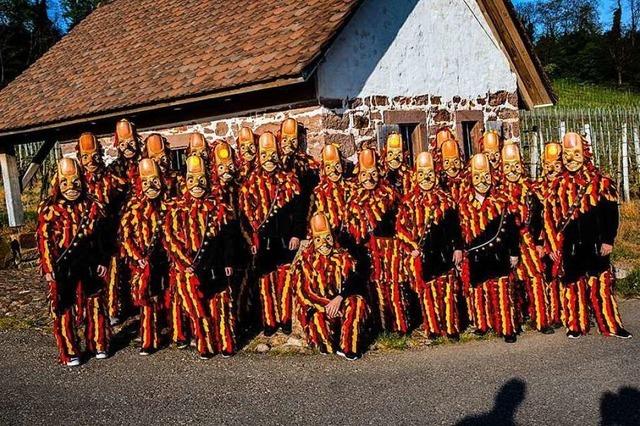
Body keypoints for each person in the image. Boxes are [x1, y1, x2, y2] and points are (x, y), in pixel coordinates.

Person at [543, 132, 631, 339]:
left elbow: (612, 215)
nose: (571, 159)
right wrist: (552, 245)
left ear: (585, 153)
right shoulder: (557, 186)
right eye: (566, 155)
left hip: (596, 245)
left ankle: (611, 325)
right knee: (573, 285)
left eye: (576, 153)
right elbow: (549, 218)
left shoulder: (601, 183)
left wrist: (608, 240)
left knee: (601, 285)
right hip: (571, 247)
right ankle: (575, 325)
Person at [36, 158, 110, 366]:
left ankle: (98, 343)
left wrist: (102, 260)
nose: (71, 188)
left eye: (75, 182)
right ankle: (69, 351)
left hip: (89, 262)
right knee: (64, 306)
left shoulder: (92, 205)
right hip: (64, 264)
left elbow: (101, 237)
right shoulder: (49, 208)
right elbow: (44, 239)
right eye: (65, 183)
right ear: (58, 183)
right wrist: (49, 267)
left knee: (95, 302)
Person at [164, 155, 236, 358]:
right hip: (192, 268)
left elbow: (228, 238)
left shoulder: (220, 208)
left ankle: (226, 343)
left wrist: (228, 261)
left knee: (220, 304)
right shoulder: (176, 209)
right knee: (200, 309)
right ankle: (205, 345)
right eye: (192, 181)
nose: (197, 186)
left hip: (216, 265)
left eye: (201, 181)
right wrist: (185, 264)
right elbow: (170, 238)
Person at [238, 132, 305, 336]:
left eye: (272, 155)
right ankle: (269, 320)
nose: (269, 160)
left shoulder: (290, 180)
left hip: (285, 240)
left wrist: (296, 234)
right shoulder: (249, 184)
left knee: (284, 279)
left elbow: (299, 212)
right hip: (263, 241)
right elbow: (244, 216)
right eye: (264, 156)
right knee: (265, 282)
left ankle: (285, 318)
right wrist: (251, 240)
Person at [396, 152, 464, 340]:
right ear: (416, 176)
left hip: (443, 254)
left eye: (430, 174)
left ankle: (451, 328)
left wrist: (458, 247)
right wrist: (412, 248)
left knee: (448, 293)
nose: (426, 179)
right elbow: (400, 228)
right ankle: (433, 328)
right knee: (427, 294)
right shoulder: (408, 202)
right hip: (423, 256)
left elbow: (455, 227)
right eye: (422, 174)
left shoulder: (446, 200)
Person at [343, 148, 409, 334]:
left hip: (390, 249)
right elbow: (350, 227)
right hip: (367, 250)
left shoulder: (389, 194)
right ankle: (380, 326)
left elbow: (400, 222)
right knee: (374, 286)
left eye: (373, 174)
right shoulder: (354, 199)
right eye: (365, 174)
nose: (369, 178)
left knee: (394, 287)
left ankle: (399, 325)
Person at [458, 154, 520, 343]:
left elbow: (511, 230)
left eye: (486, 176)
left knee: (501, 292)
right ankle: (482, 325)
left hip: (498, 255)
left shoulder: (502, 201)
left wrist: (514, 253)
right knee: (479, 292)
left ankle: (507, 328)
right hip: (477, 257)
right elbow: (459, 233)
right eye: (478, 177)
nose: (482, 182)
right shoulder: (464, 205)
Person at [292, 212, 369, 360]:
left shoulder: (343, 257)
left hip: (340, 303)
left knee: (357, 302)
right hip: (319, 308)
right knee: (323, 338)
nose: (325, 244)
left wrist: (339, 299)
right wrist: (328, 305)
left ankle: (348, 348)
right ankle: (329, 341)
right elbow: (305, 293)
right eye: (319, 240)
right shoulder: (305, 262)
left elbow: (356, 281)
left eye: (328, 238)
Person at [501, 142, 553, 334]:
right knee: (509, 282)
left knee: (536, 278)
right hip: (506, 246)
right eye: (507, 166)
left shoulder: (531, 191)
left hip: (528, 242)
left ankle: (541, 320)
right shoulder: (498, 193)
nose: (512, 170)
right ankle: (512, 323)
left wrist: (539, 243)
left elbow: (540, 218)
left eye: (515, 166)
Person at [106, 119, 142, 325]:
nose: (128, 148)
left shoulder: (146, 164)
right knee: (116, 268)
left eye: (131, 142)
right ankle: (115, 308)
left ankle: (141, 303)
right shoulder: (113, 170)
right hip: (119, 226)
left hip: (142, 223)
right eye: (123, 144)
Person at [536, 142, 564, 327]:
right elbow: (535, 220)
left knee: (564, 278)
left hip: (564, 240)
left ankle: (567, 313)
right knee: (549, 277)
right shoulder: (537, 189)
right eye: (548, 165)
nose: (551, 169)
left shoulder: (567, 186)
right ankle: (554, 313)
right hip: (545, 241)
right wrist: (542, 244)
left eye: (556, 164)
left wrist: (559, 243)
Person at [312, 144, 351, 243]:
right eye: (328, 167)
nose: (333, 171)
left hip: (352, 238)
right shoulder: (318, 192)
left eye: (337, 166)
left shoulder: (352, 188)